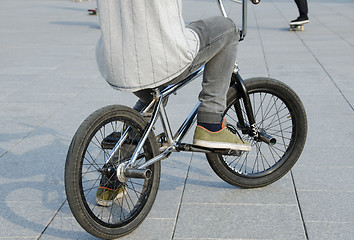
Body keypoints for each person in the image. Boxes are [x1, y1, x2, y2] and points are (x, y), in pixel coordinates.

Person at [94, 0, 251, 206]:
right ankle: (211, 122)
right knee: (228, 29)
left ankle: (111, 178)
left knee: (152, 96)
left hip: (116, 61)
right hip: (160, 57)